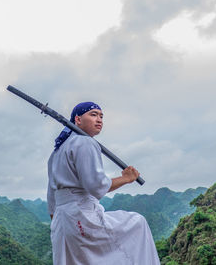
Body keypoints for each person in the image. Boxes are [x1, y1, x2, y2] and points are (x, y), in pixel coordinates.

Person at [47, 102, 160, 265]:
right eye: (93, 114)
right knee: (138, 223)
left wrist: (60, 223)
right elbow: (96, 186)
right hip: (83, 215)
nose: (99, 119)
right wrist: (127, 178)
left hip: (62, 221)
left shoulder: (57, 152)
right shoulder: (85, 143)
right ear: (77, 120)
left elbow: (51, 196)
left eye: (101, 116)